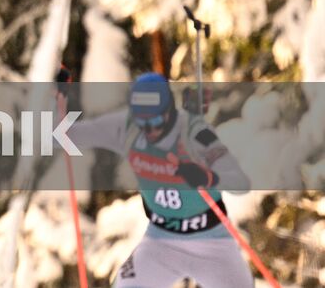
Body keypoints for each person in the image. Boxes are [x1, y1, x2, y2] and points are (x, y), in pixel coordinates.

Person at [61, 71, 252, 288]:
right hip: (161, 242)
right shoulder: (127, 128)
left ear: (170, 109)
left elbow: (240, 183)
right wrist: (56, 98)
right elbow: (69, 135)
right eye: (143, 123)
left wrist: (206, 177)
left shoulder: (195, 133)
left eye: (157, 121)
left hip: (212, 244)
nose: (150, 130)